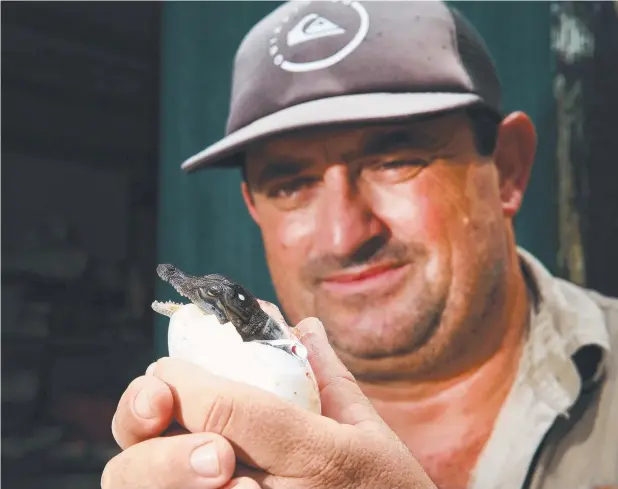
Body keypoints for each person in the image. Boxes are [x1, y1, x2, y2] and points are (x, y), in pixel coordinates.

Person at [102, 1, 618, 488]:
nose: (344, 235)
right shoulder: (206, 432)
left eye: (394, 161)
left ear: (507, 169)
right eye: (291, 185)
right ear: (254, 208)